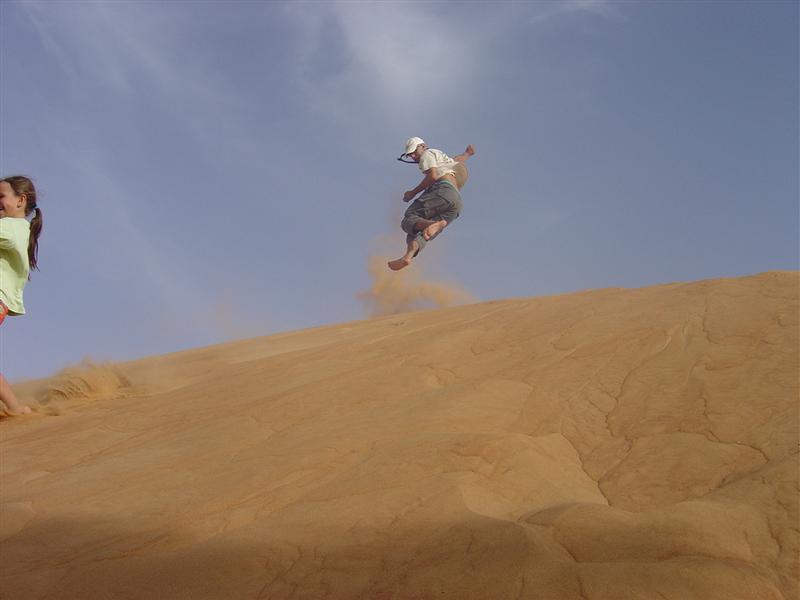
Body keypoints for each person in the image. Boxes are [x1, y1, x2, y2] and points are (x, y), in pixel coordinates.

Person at [388, 137, 475, 271]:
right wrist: (467, 154)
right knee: (419, 231)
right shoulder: (443, 160)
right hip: (456, 203)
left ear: (423, 146)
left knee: (409, 218)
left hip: (442, 191)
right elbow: (457, 160)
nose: (413, 156)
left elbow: (433, 175)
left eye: (414, 152)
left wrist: (412, 193)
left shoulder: (427, 154)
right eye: (410, 155)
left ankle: (431, 224)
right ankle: (407, 257)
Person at [0, 176, 43, 417]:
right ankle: (15, 407)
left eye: (1, 196)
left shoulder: (11, 227)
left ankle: (15, 408)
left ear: (21, 201)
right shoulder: (17, 229)